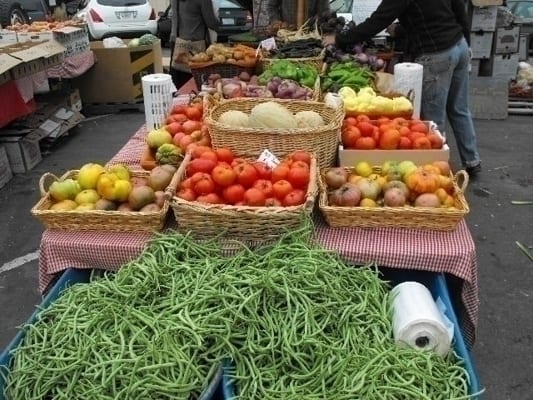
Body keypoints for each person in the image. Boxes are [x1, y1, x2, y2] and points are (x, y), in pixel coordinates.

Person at [324, 0, 482, 177]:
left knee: (433, 120)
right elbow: (448, 10)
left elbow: (378, 21)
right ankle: (472, 161)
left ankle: (437, 172)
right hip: (458, 45)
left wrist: (339, 39)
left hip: (436, 54)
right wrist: (467, 44)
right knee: (459, 108)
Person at [169, 0, 220, 89]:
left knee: (177, 86)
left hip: (176, 44)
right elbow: (211, 23)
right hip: (195, 48)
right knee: (195, 86)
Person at [264, 0, 330, 28]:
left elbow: (324, 12)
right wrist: (276, 21)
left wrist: (316, 24)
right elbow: (271, 6)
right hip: (285, 33)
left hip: (310, 35)